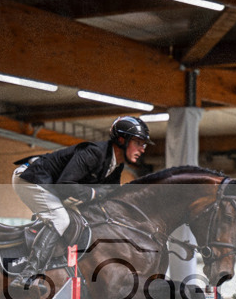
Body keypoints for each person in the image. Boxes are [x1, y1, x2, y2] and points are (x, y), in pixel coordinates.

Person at [10, 115, 151, 289]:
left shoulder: (116, 166)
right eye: (138, 142)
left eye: (143, 144)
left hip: (49, 186)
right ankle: (27, 275)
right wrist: (94, 193)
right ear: (122, 140)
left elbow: (109, 198)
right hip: (30, 178)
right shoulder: (94, 153)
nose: (142, 149)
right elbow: (65, 185)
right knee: (60, 219)